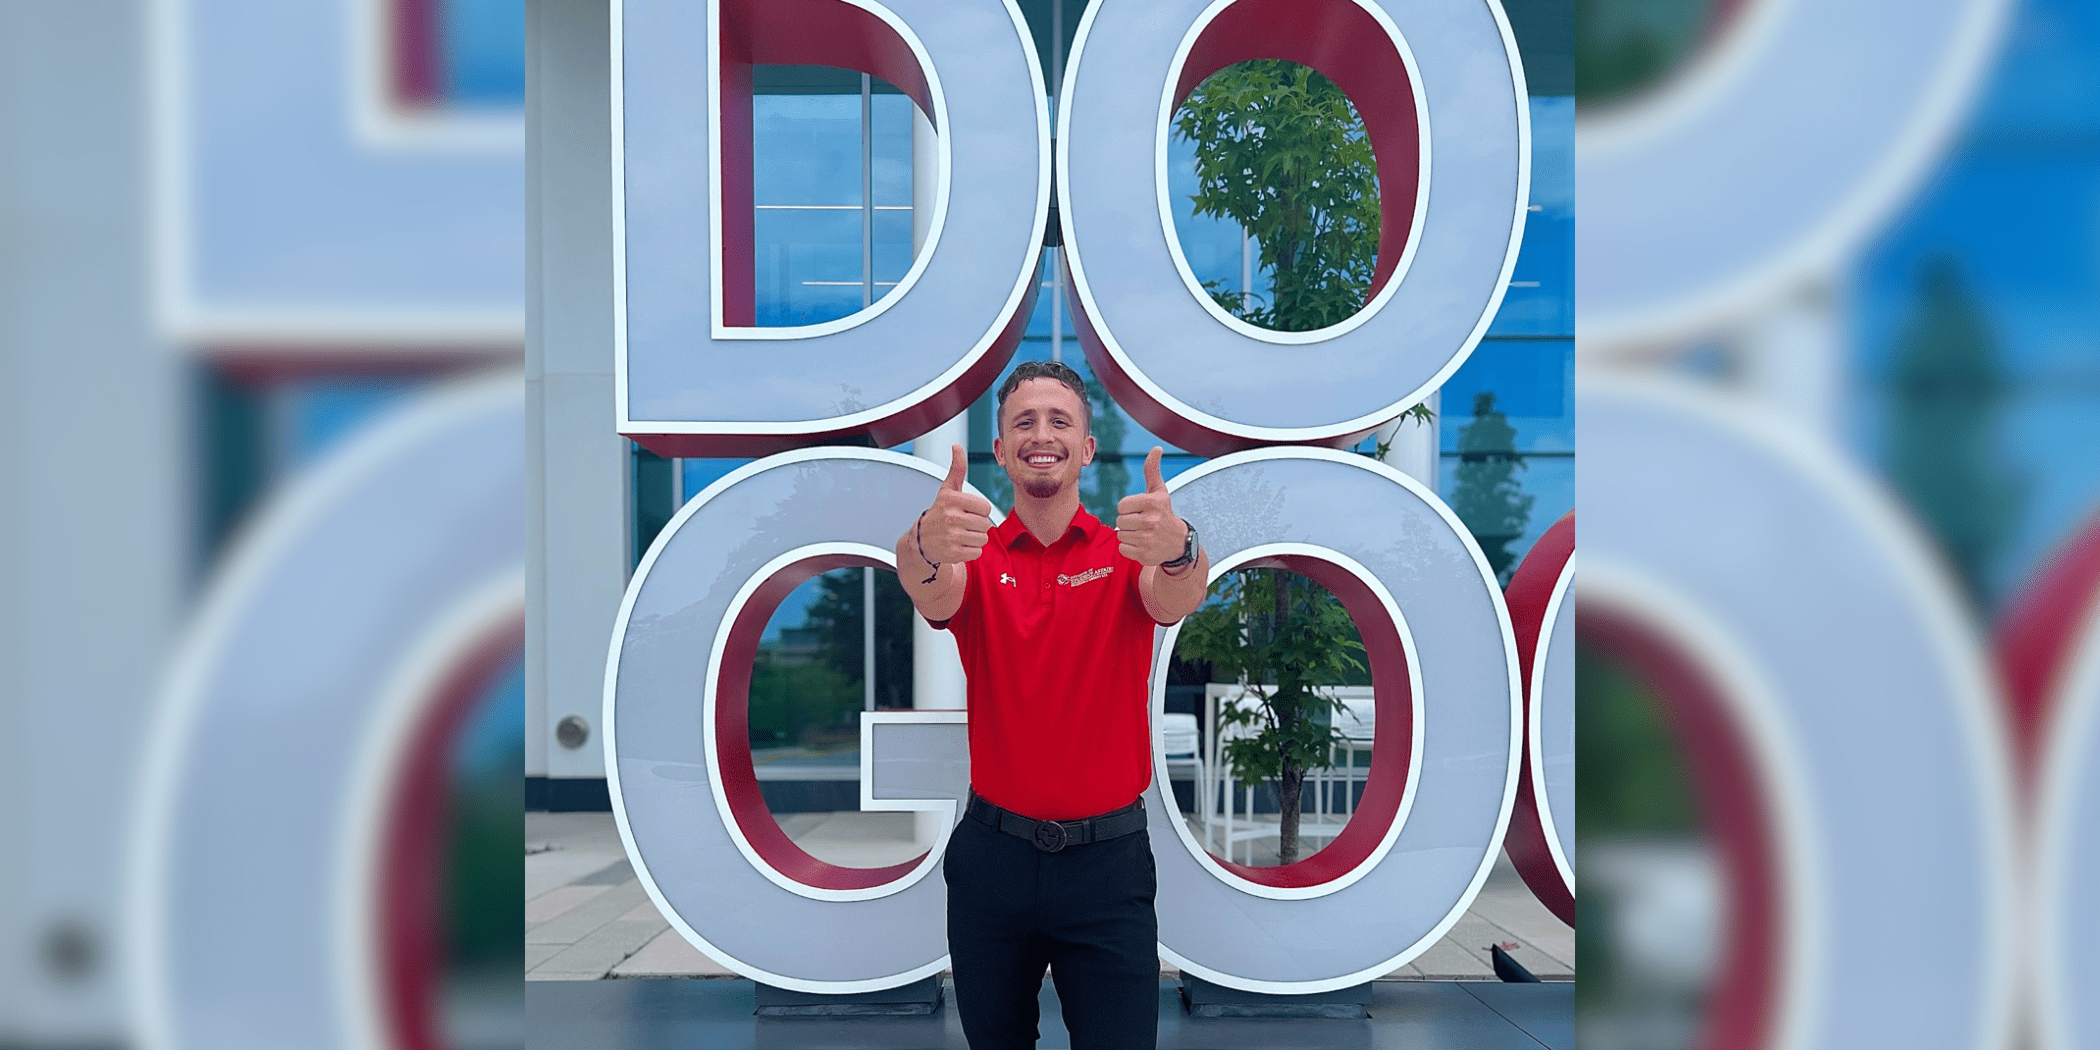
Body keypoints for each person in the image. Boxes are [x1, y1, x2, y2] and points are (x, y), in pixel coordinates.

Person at [894, 360, 1208, 1049]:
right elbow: (929, 587)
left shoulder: (1126, 554)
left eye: (1060, 420)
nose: (1043, 434)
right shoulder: (971, 556)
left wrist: (1183, 550)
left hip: (1109, 866)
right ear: (1001, 450)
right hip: (992, 862)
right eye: (1024, 422)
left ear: (1087, 448)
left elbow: (1175, 595)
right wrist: (921, 542)